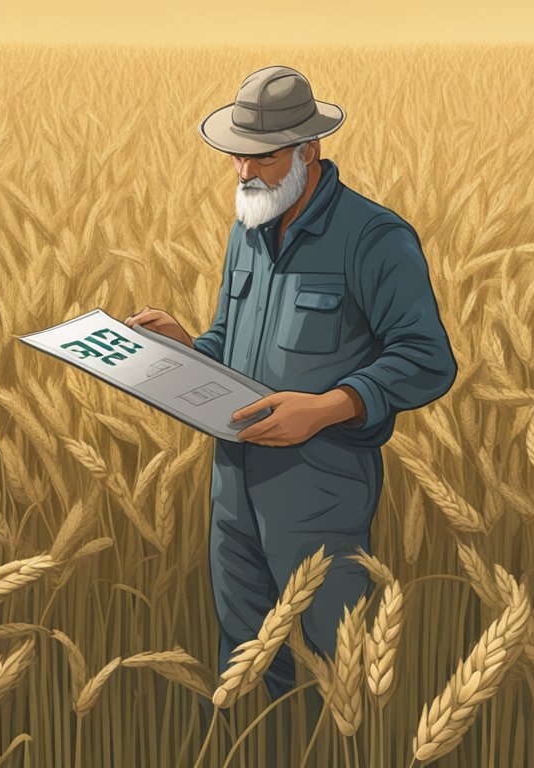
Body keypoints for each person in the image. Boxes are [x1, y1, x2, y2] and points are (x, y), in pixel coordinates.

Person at [124, 64, 458, 755]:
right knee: (247, 676)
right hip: (233, 494)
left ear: (309, 149)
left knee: (333, 683)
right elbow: (233, 343)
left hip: (321, 498)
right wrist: (189, 347)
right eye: (239, 151)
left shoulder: (375, 238)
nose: (244, 168)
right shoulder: (250, 224)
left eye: (264, 153)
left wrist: (329, 406)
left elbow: (428, 359)